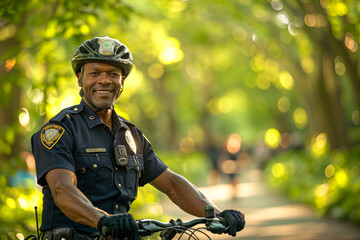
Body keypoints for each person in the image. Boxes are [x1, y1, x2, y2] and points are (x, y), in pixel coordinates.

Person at [31, 36, 245, 240]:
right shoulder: (60, 130)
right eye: (95, 73)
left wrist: (216, 214)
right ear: (80, 78)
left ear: (122, 81)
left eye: (113, 74)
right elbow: (62, 188)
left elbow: (171, 183)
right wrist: (102, 220)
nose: (104, 80)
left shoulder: (131, 135)